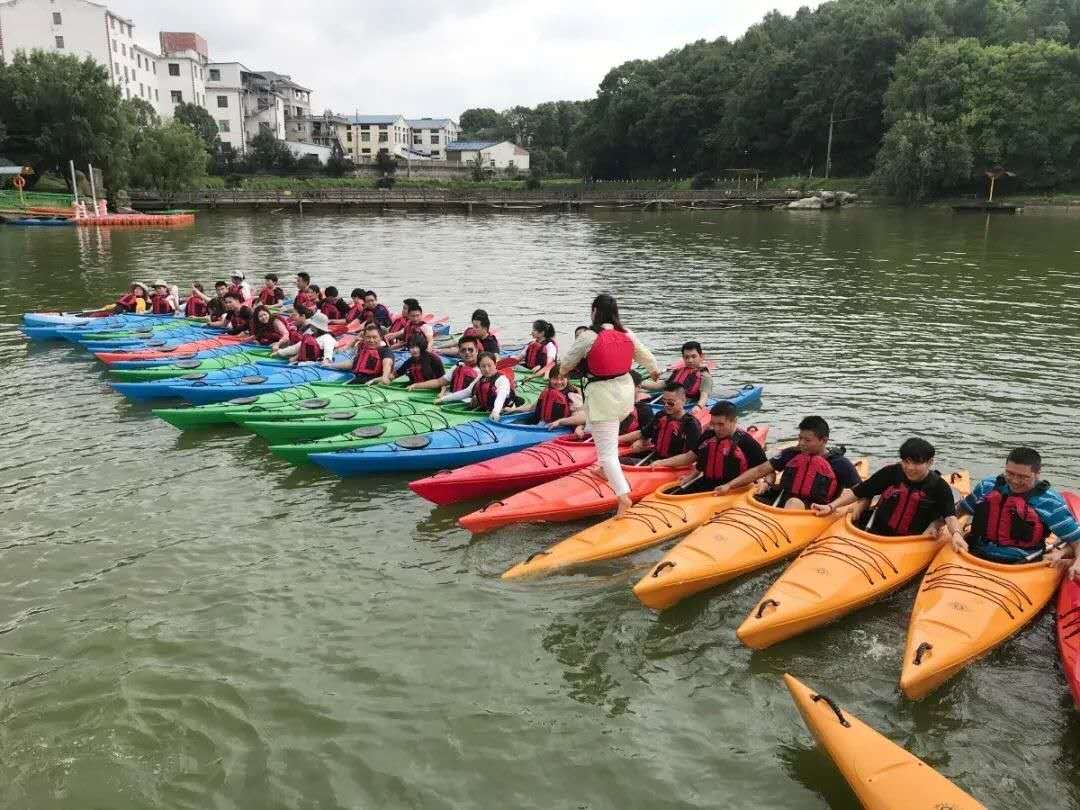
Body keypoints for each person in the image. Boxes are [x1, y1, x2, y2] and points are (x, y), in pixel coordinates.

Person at [559, 294, 660, 516]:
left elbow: (566, 364)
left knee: (606, 453)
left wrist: (564, 372)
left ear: (594, 311)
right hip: (624, 394)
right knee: (604, 436)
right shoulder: (627, 334)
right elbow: (648, 358)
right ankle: (606, 470)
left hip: (603, 396)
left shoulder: (589, 336)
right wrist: (653, 372)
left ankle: (623, 496)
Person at [811, 438, 965, 539]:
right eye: (906, 461)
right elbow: (859, 491)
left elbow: (950, 517)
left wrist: (957, 535)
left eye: (917, 463)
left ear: (930, 462)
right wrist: (831, 506)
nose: (910, 468)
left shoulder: (939, 486)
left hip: (912, 541)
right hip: (876, 533)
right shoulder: (891, 472)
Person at [952, 447, 1080, 565]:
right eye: (1010, 473)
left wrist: (1067, 557)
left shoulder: (1050, 502)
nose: (1014, 480)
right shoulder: (987, 486)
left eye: (1022, 477)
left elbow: (1077, 540)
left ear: (1037, 473)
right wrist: (951, 529)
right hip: (974, 554)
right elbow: (959, 511)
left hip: (1022, 563)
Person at [716, 415, 861, 510]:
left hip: (816, 509)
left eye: (807, 440)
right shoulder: (792, 453)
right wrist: (729, 485)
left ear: (824, 440)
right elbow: (760, 471)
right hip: (782, 502)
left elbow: (861, 491)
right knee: (757, 496)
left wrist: (835, 507)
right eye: (800, 438)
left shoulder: (840, 464)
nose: (801, 443)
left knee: (794, 503)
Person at [657, 400, 768, 492]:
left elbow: (767, 471)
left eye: (721, 424)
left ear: (734, 421)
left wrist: (766, 483)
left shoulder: (747, 442)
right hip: (707, 484)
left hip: (734, 490)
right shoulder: (708, 435)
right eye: (713, 423)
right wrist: (661, 463)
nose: (716, 429)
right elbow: (689, 457)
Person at [623, 382, 702, 466]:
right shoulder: (661, 415)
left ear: (683, 401)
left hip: (675, 466)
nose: (666, 405)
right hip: (655, 458)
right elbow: (642, 433)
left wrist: (662, 463)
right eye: (664, 402)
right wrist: (616, 439)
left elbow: (691, 456)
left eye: (670, 403)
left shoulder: (691, 424)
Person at [437, 351, 521, 420]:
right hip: (485, 411)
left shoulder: (502, 380)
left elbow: (501, 396)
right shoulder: (480, 377)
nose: (487, 369)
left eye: (489, 365)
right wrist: (444, 399)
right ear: (479, 367)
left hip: (504, 413)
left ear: (495, 364)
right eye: (483, 366)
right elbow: (466, 392)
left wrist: (495, 411)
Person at [642, 341, 712, 404]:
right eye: (686, 357)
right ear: (683, 357)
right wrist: (639, 383)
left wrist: (698, 407)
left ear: (701, 356)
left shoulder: (705, 377)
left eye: (694, 357)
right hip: (668, 401)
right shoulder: (679, 370)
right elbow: (659, 385)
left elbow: (704, 397)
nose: (690, 360)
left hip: (687, 404)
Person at [324, 322, 394, 384]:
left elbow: (386, 372)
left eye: (374, 337)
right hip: (357, 379)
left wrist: (375, 380)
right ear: (364, 338)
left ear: (380, 338)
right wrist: (331, 365)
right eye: (368, 337)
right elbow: (353, 364)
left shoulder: (386, 352)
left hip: (370, 383)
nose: (371, 340)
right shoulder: (364, 349)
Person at [407, 336, 482, 393]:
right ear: (459, 352)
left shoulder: (484, 369)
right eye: (463, 350)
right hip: (455, 400)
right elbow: (439, 382)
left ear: (477, 351)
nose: (467, 352)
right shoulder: (457, 367)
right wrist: (416, 385)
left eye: (470, 350)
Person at [505, 368, 581, 424]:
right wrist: (513, 410)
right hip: (542, 425)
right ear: (550, 379)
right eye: (555, 379)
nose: (558, 382)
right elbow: (532, 407)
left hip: (559, 428)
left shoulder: (573, 394)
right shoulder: (547, 390)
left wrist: (560, 422)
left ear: (567, 379)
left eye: (562, 379)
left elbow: (580, 416)